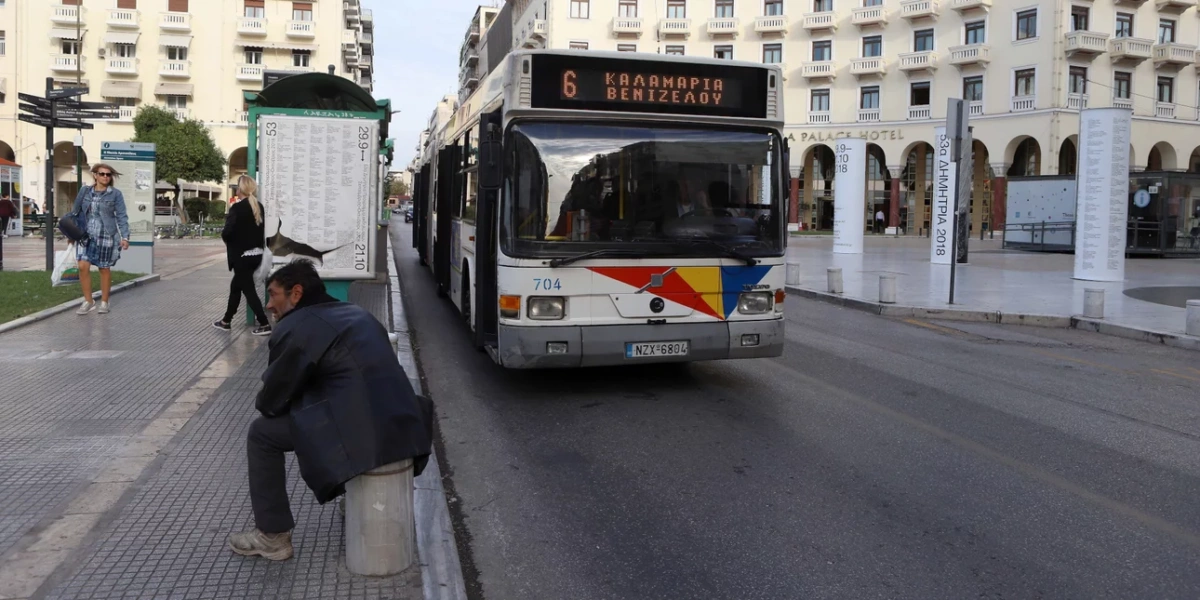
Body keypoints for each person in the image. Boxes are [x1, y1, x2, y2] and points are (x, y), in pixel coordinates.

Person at [228, 260, 434, 561]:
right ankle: (351, 494)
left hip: (364, 434)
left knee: (261, 433)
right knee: (333, 404)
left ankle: (272, 535)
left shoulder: (297, 327)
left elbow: (271, 402)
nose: (269, 304)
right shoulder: (357, 313)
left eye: (273, 294)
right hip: (406, 425)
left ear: (296, 293)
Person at [213, 175, 271, 335]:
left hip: (242, 257)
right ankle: (226, 321)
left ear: (241, 189)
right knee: (235, 287)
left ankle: (264, 324)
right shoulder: (258, 206)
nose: (236, 189)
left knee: (249, 290)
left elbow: (227, 232)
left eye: (237, 187)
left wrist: (229, 241)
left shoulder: (237, 208)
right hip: (257, 255)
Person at [73, 164, 130, 315]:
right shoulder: (85, 191)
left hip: (106, 234)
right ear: (95, 175)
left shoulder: (115, 194)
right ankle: (88, 301)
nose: (105, 177)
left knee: (104, 268)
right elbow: (75, 211)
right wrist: (71, 234)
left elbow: (122, 216)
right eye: (102, 174)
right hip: (85, 235)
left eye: (108, 175)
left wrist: (125, 236)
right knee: (82, 266)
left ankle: (104, 302)